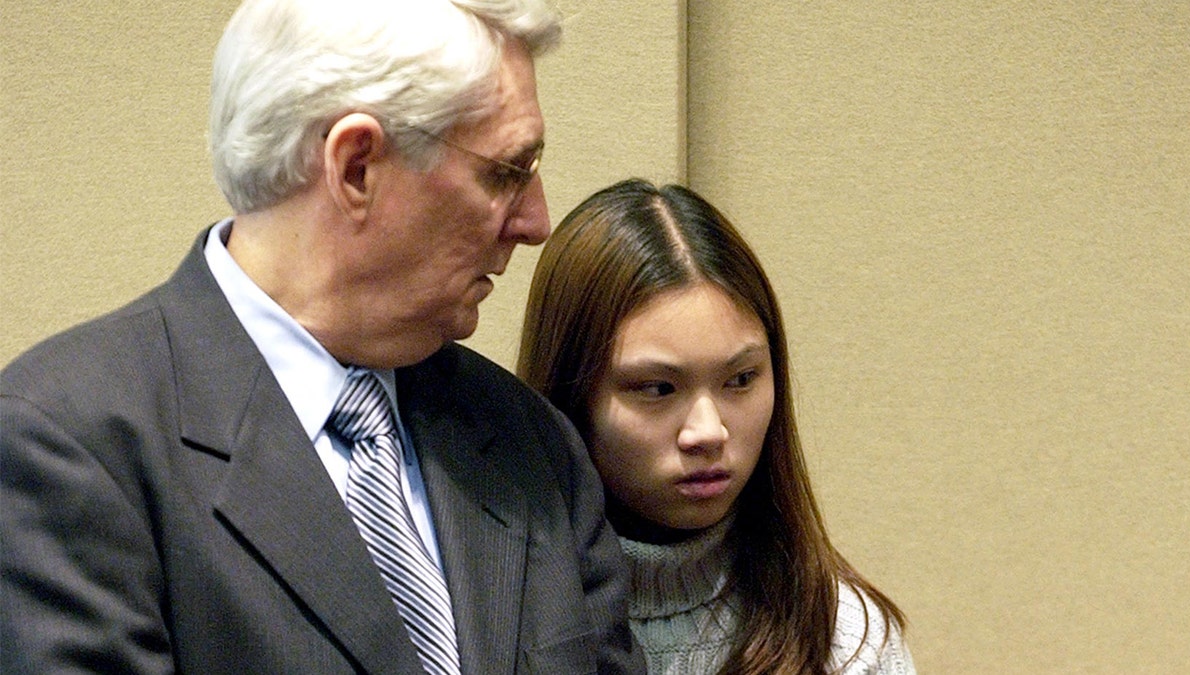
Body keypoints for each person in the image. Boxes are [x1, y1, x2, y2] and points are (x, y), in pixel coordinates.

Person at [0, 1, 645, 673]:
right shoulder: (68, 447)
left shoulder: (532, 444)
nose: (537, 221)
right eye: (506, 172)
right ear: (356, 167)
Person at [517, 179, 917, 674]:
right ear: (571, 393)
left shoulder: (844, 640)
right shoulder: (489, 620)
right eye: (658, 388)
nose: (708, 433)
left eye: (741, 379)